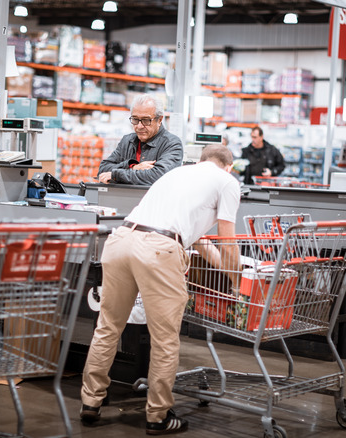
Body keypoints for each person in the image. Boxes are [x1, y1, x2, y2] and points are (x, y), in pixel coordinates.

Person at [81, 144, 241, 435]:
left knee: (107, 327)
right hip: (158, 250)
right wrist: (239, 282)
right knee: (165, 340)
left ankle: (90, 402)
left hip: (120, 241)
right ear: (228, 166)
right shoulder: (228, 182)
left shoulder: (178, 174)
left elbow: (199, 239)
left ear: (202, 161)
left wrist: (226, 271)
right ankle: (158, 416)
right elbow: (227, 241)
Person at [97, 94, 183, 185]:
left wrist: (116, 175)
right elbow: (103, 169)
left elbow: (158, 176)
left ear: (159, 120)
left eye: (146, 120)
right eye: (135, 119)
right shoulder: (128, 141)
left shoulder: (172, 144)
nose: (139, 126)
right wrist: (133, 167)